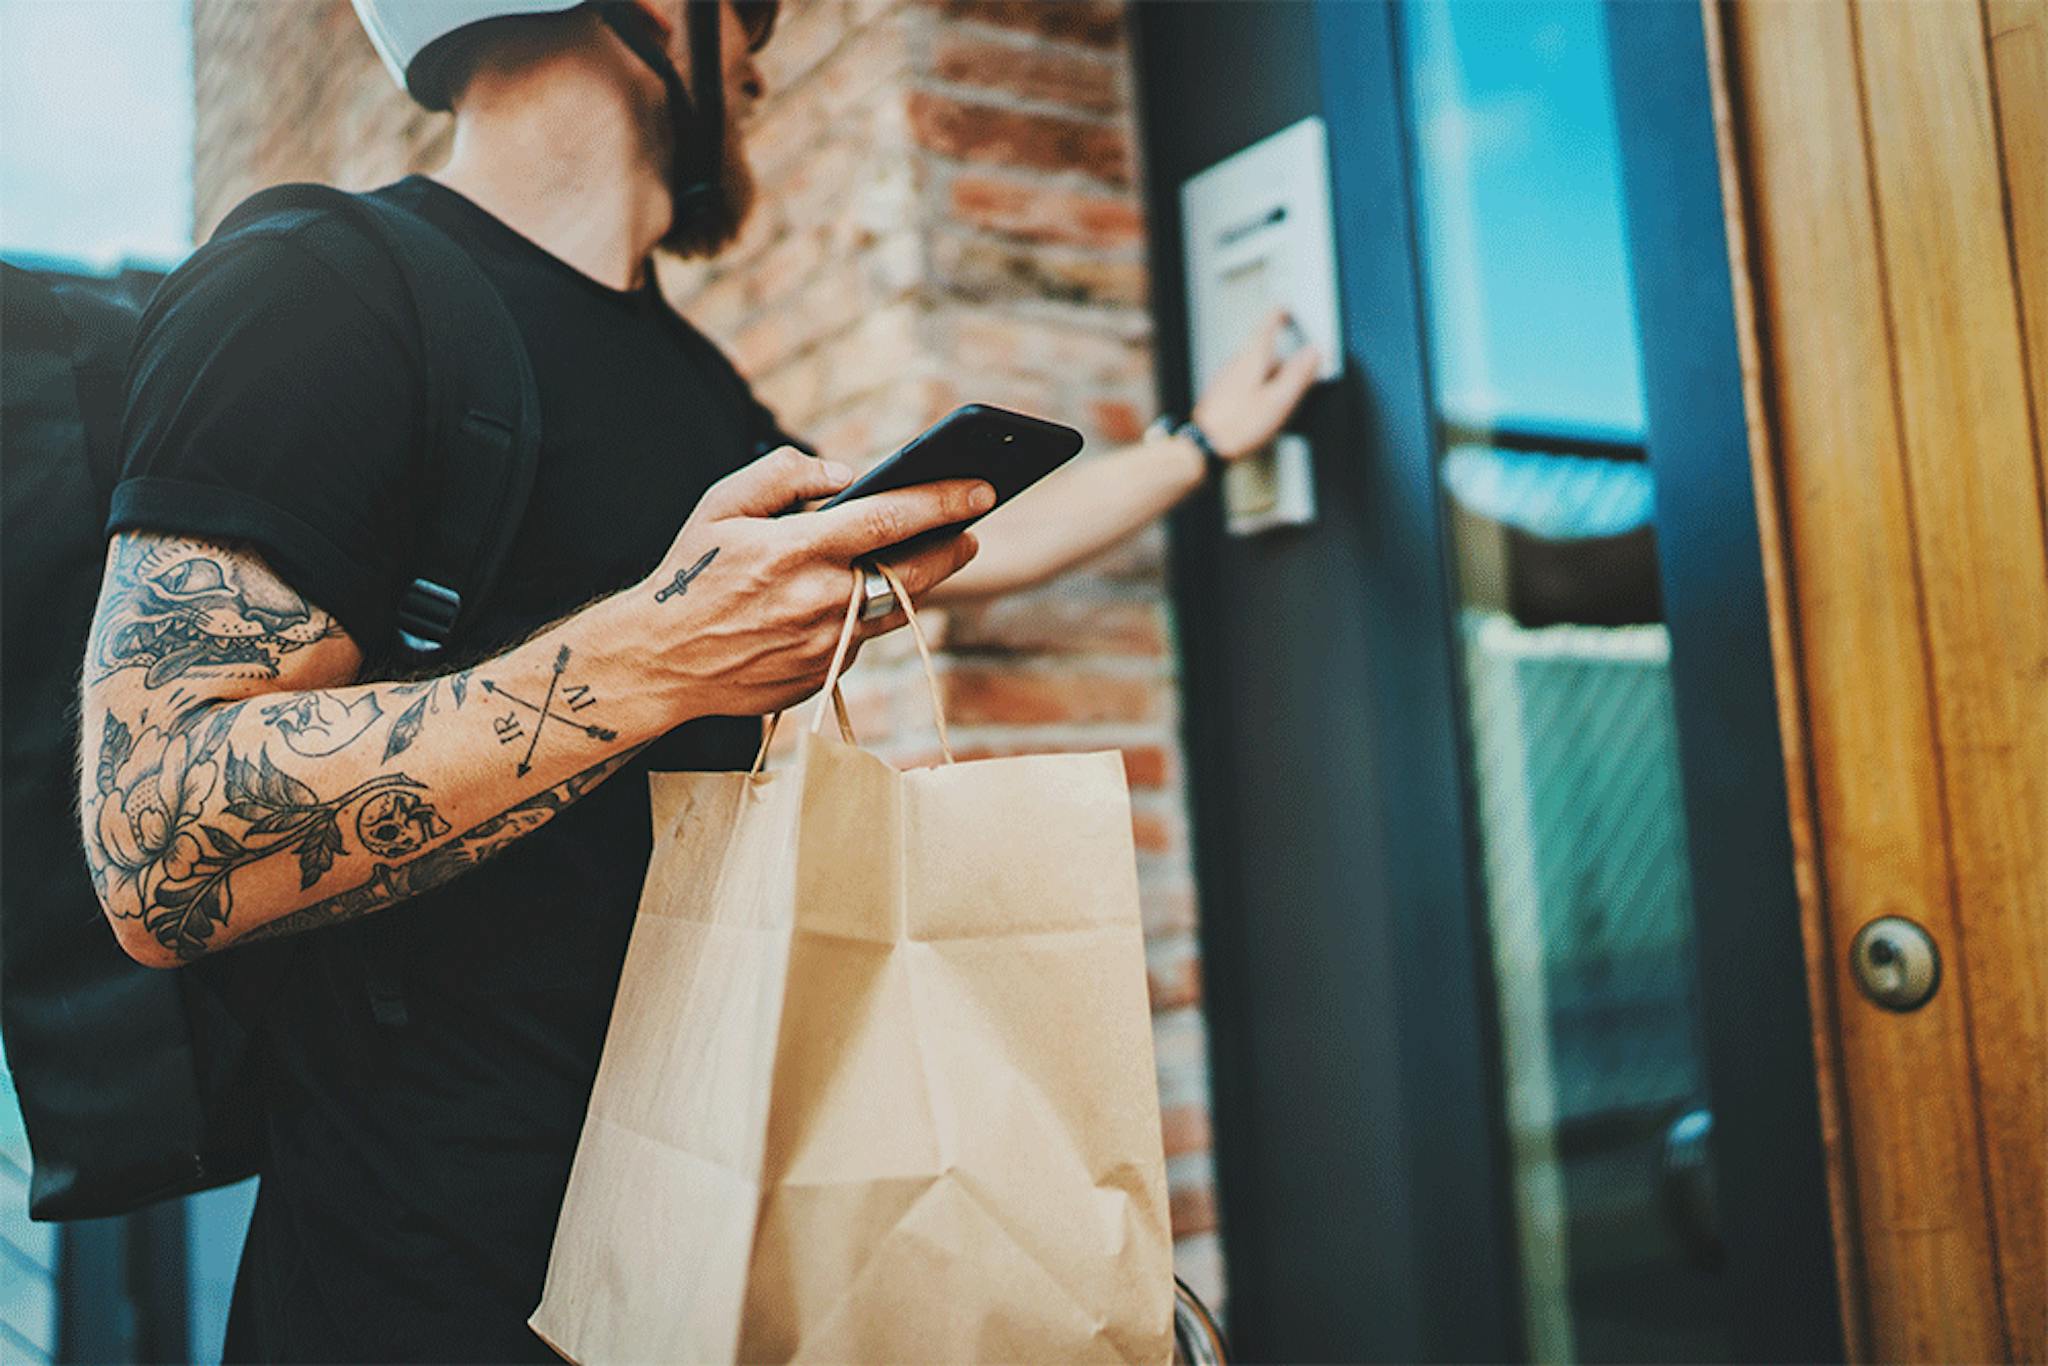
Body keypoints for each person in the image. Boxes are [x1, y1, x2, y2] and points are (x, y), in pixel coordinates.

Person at [76, 0, 1319, 1358]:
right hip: (423, 1300)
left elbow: (960, 542)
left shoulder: (693, 388)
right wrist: (660, 653)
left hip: (704, 1271)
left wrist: (1201, 444)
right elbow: (156, 838)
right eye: (758, 13)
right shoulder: (312, 286)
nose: (763, 51)